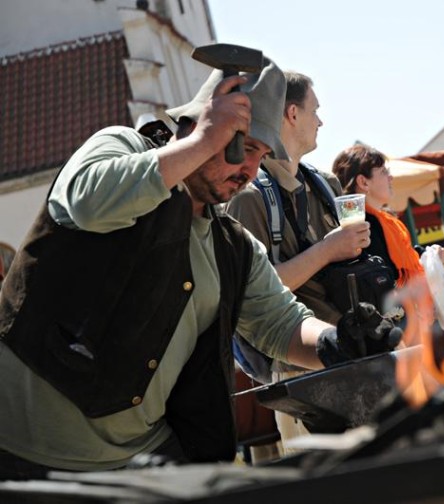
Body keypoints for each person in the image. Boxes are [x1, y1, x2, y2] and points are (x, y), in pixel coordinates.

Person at [0, 50, 398, 480]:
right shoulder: (121, 148)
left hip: (145, 461)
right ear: (198, 123)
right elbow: (86, 202)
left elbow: (280, 322)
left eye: (260, 153)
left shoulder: (232, 245)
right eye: (242, 146)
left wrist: (340, 342)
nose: (249, 169)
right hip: (26, 451)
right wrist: (203, 142)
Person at [225, 72, 371, 452]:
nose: (320, 121)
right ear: (291, 113)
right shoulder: (248, 199)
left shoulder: (326, 185)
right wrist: (329, 248)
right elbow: (257, 292)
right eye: (314, 110)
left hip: (352, 357)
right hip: (300, 381)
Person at [331, 145, 426, 289]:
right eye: (383, 171)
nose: (391, 177)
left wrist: (425, 255)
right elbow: (389, 275)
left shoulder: (384, 221)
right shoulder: (361, 226)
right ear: (363, 182)